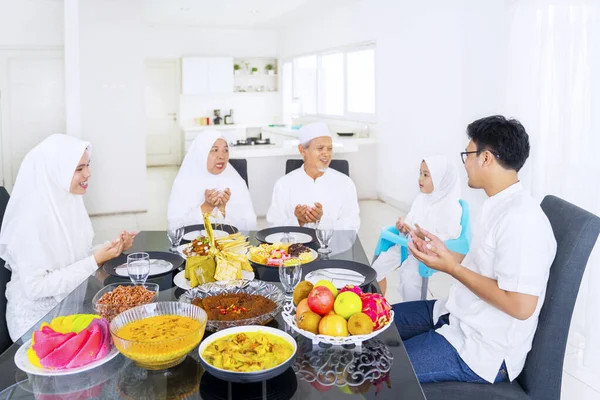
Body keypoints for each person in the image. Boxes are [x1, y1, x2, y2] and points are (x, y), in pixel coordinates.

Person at [392, 115, 557, 384]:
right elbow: (481, 265)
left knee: (382, 370)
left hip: (482, 349)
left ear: (486, 158)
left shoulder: (522, 220)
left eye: (467, 154)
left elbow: (521, 305)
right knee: (376, 325)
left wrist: (452, 268)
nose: (465, 163)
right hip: (456, 314)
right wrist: (444, 255)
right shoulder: (495, 205)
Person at [0, 134, 136, 341]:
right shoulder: (29, 221)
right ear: (56, 172)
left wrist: (111, 248)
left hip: (69, 308)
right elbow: (37, 287)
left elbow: (75, 256)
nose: (88, 173)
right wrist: (95, 260)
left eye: (87, 166)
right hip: (37, 327)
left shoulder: (66, 201)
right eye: (79, 169)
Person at [372, 156, 462, 298]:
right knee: (375, 270)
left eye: (426, 175)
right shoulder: (422, 198)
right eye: (420, 173)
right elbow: (411, 223)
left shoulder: (451, 207)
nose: (420, 179)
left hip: (425, 253)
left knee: (409, 281)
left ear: (441, 179)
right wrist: (403, 227)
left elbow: (449, 237)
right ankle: (376, 305)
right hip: (407, 245)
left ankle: (411, 315)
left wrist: (424, 237)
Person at [266, 122, 360, 231]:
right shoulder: (283, 184)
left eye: (329, 148)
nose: (326, 154)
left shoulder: (345, 183)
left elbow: (352, 227)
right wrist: (298, 221)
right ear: (302, 150)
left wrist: (322, 221)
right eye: (320, 148)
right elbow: (273, 225)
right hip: (294, 246)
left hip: (332, 247)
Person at [167, 130, 256, 231]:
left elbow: (250, 226)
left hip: (230, 245)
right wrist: (206, 208)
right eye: (214, 150)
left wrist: (223, 210)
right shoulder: (183, 183)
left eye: (225, 150)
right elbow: (174, 230)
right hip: (191, 246)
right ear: (201, 153)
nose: (222, 156)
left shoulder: (236, 181)